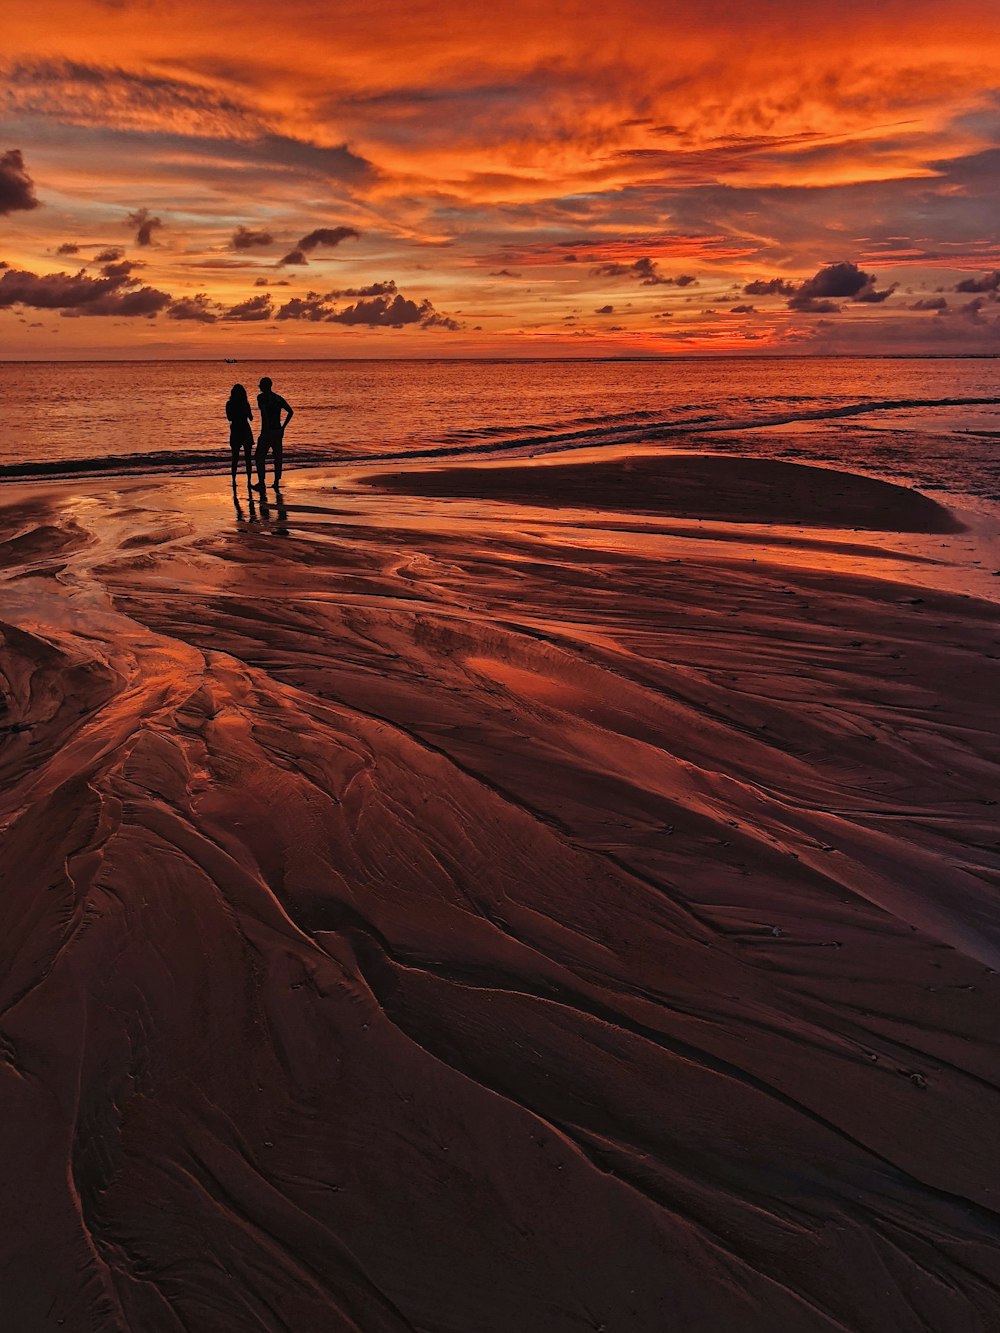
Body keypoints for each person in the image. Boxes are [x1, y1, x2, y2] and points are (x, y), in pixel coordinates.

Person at [254, 376, 293, 490]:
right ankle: (276, 482)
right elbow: (290, 412)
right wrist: (283, 427)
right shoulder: (278, 398)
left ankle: (262, 482)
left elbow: (264, 414)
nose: (260, 388)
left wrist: (265, 430)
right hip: (277, 430)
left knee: (259, 457)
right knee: (277, 457)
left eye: (261, 385)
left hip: (267, 431)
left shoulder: (261, 398)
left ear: (264, 386)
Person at [225, 383, 254, 487]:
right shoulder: (245, 404)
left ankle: (234, 481)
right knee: (248, 458)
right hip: (245, 430)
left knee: (235, 458)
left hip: (236, 430)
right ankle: (249, 481)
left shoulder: (229, 404)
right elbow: (251, 418)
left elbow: (229, 418)